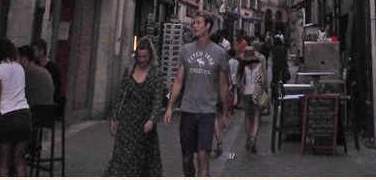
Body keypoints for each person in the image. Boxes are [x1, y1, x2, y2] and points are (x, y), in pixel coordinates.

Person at [164, 11, 230, 177]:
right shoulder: (186, 51)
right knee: (187, 158)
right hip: (188, 110)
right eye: (194, 23)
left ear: (208, 26)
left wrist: (225, 114)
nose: (194, 26)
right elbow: (178, 80)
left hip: (207, 112)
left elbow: (223, 84)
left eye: (198, 23)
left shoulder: (220, 53)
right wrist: (170, 106)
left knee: (203, 156)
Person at [106, 37, 164, 176]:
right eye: (139, 56)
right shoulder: (130, 70)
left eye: (145, 56)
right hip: (127, 122)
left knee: (142, 160)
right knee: (123, 158)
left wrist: (152, 119)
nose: (142, 60)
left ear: (151, 56)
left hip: (144, 123)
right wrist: (114, 118)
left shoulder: (156, 74)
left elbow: (157, 100)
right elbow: (121, 95)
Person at [0, 38, 31, 177]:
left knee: (3, 163)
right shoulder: (20, 68)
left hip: (7, 116)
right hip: (24, 115)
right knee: (19, 162)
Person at [237, 46, 268, 153]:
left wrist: (240, 99)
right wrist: (264, 89)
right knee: (256, 116)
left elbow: (241, 84)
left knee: (247, 116)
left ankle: (248, 138)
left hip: (246, 93)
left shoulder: (243, 67)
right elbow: (263, 80)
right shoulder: (259, 66)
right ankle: (254, 138)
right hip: (257, 93)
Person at [30, 39, 62, 104]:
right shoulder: (33, 65)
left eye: (33, 51)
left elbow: (56, 90)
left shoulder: (53, 69)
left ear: (41, 51)